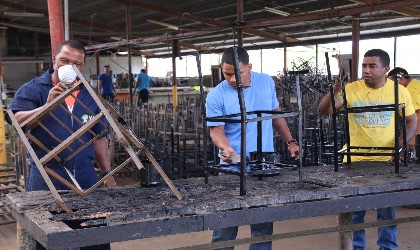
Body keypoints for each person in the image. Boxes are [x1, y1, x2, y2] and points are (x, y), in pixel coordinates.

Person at [7, 40, 116, 250]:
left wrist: (107, 174)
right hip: (46, 179)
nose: (70, 67)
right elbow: (16, 119)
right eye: (65, 60)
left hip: (86, 178)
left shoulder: (88, 94)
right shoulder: (34, 89)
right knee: (45, 240)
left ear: (82, 67)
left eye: (77, 63)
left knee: (94, 239)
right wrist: (47, 106)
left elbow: (99, 137)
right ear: (54, 60)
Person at [318, 49, 417, 250]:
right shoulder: (352, 89)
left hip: (385, 163)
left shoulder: (398, 91)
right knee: (355, 214)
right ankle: (356, 247)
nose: (366, 70)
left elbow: (411, 121)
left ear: (385, 69)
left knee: (386, 213)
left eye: (372, 66)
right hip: (354, 161)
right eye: (364, 66)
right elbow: (324, 111)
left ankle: (387, 248)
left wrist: (400, 145)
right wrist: (334, 90)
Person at [206, 46, 300, 250]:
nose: (231, 79)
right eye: (226, 74)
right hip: (233, 163)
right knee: (225, 226)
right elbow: (216, 131)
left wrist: (290, 141)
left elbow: (276, 115)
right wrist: (226, 148)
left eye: (237, 74)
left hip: (262, 163)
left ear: (249, 67)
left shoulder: (266, 82)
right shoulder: (216, 95)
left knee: (262, 226)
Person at [388, 67, 420, 155]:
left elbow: (418, 114)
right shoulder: (416, 84)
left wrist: (413, 138)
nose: (390, 87)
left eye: (392, 83)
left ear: (401, 79)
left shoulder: (410, 90)